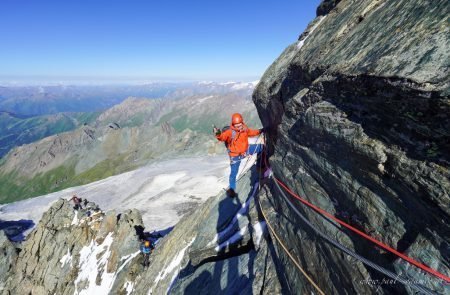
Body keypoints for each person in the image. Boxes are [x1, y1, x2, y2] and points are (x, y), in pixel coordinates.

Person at [214, 113, 265, 197]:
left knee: (262, 147)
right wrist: (218, 134)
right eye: (236, 125)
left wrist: (260, 131)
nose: (238, 127)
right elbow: (222, 137)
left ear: (242, 122)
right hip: (235, 156)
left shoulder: (244, 129)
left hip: (246, 150)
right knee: (234, 173)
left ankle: (261, 166)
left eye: (239, 125)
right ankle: (232, 190)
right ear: (233, 125)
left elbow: (251, 132)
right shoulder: (230, 132)